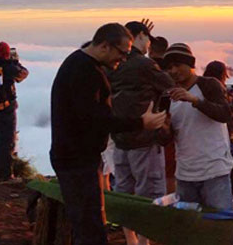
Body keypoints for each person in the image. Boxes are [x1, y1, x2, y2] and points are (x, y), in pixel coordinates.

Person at [50, 23, 167, 245]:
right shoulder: (86, 72)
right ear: (104, 46)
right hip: (77, 161)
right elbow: (96, 121)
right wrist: (141, 122)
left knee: (87, 223)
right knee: (91, 227)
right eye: (122, 53)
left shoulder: (78, 63)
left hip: (74, 157)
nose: (123, 60)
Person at [109, 21, 174, 245]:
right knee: (150, 196)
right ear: (137, 37)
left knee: (124, 194)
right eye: (147, 38)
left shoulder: (113, 64)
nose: (148, 44)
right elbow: (170, 85)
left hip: (120, 138)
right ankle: (145, 242)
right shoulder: (144, 65)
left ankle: (131, 241)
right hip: (144, 139)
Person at [162, 44, 233, 210]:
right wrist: (163, 128)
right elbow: (167, 138)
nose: (173, 71)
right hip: (185, 173)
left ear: (190, 65)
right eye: (169, 67)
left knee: (219, 226)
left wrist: (195, 101)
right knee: (189, 228)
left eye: (177, 65)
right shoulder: (168, 96)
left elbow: (225, 114)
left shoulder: (208, 85)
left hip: (215, 170)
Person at [203, 60, 233, 197]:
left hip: (207, 142)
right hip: (232, 142)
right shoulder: (230, 94)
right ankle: (227, 204)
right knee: (230, 181)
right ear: (223, 75)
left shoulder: (202, 91)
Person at [0, 42, 29, 184]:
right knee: (7, 142)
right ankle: (5, 176)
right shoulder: (8, 67)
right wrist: (16, 62)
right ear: (7, 53)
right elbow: (23, 75)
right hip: (6, 109)